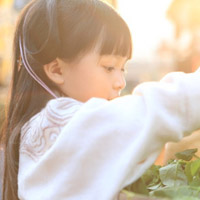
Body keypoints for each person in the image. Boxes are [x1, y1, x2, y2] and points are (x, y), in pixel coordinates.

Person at [1, 0, 200, 199]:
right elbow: (146, 113)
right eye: (109, 67)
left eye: (123, 69)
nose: (121, 82)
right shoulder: (58, 126)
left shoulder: (39, 131)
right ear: (57, 70)